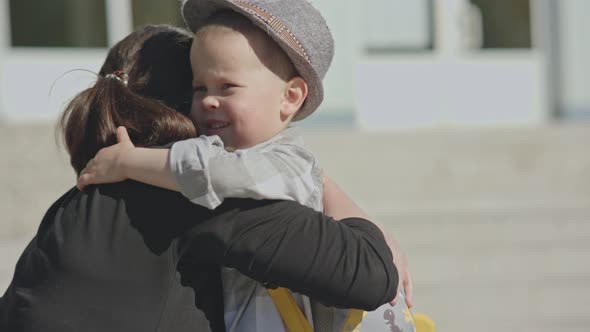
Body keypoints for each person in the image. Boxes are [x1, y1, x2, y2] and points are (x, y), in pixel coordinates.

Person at [0, 25, 399, 332]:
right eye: (202, 85)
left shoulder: (70, 207)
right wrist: (323, 182)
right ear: (185, 103)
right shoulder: (197, 199)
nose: (212, 101)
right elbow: (370, 274)